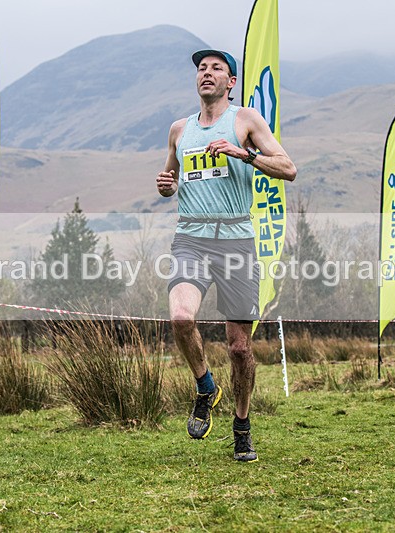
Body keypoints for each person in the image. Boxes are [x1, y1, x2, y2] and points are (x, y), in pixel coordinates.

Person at [156, 50, 296, 462]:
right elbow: (171, 179)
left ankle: (242, 424)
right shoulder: (179, 130)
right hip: (191, 240)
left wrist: (244, 154)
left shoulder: (245, 120)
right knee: (181, 319)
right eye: (201, 68)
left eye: (216, 68)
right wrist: (166, 185)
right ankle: (205, 388)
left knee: (239, 347)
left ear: (230, 82)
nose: (207, 73)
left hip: (236, 242)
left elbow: (288, 168)